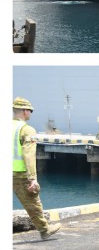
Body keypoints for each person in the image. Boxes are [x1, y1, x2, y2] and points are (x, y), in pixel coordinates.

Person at [12, 97, 61, 240]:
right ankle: (45, 230)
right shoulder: (26, 130)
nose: (31, 113)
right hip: (19, 174)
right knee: (33, 203)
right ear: (25, 111)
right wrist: (32, 178)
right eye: (31, 111)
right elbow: (28, 155)